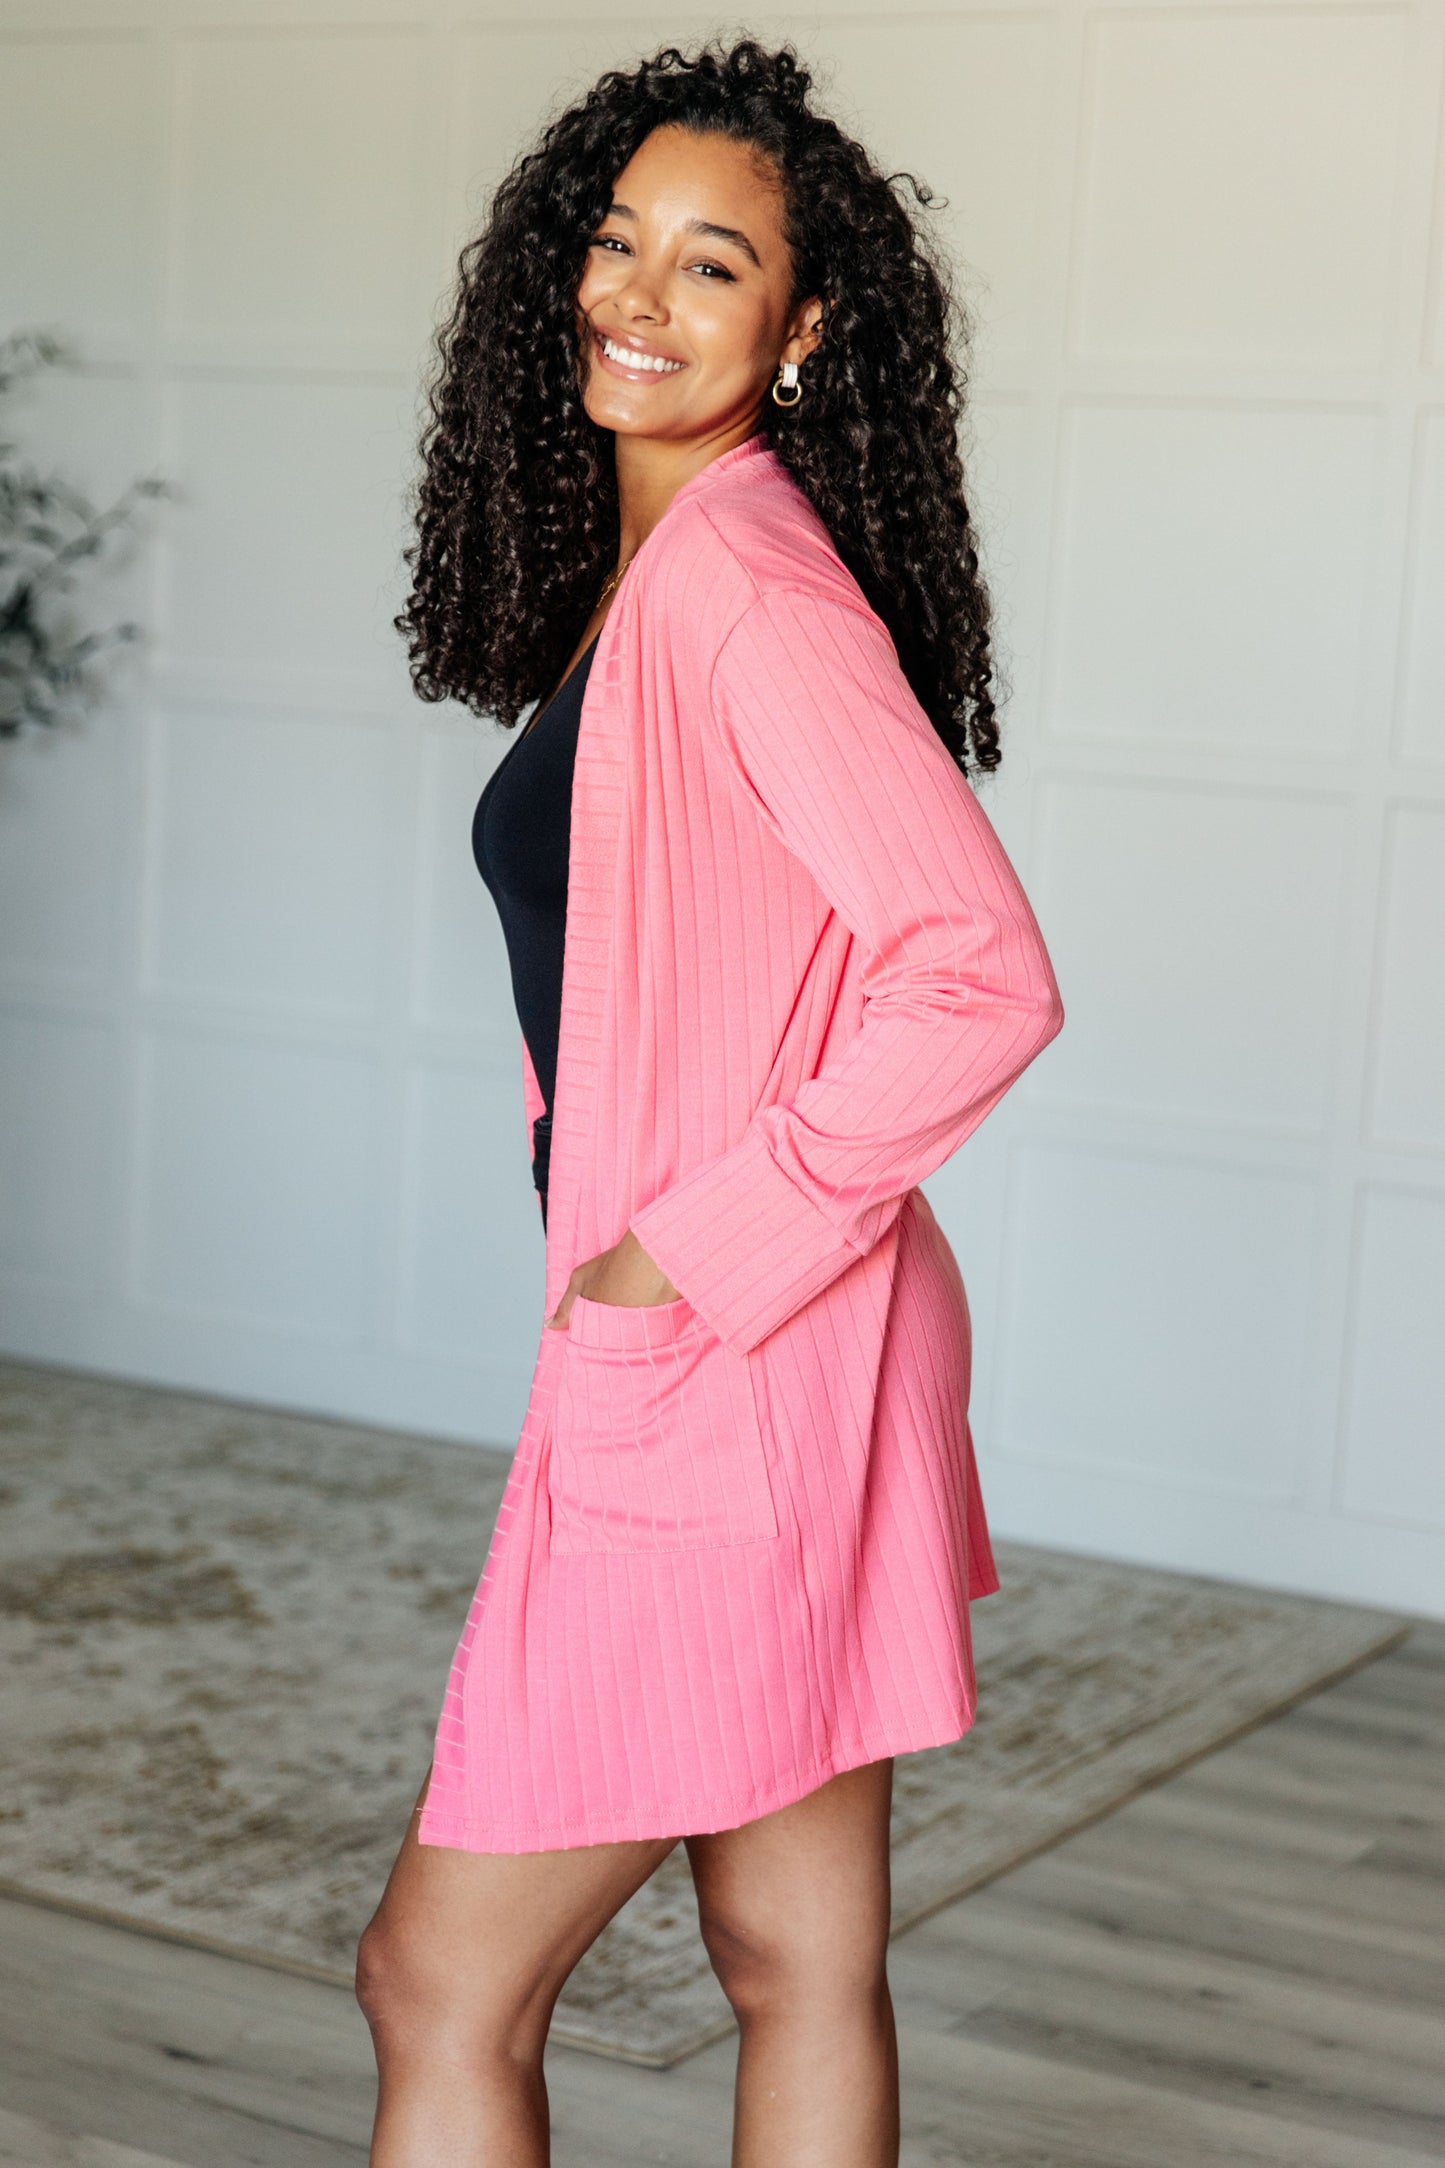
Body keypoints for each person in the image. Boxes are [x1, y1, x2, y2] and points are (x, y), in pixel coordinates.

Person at [357, 37, 1064, 2166]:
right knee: (795, 1954)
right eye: (614, 239)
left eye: (712, 264)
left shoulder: (748, 592)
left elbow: (980, 971)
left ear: (802, 327)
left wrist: (684, 1248)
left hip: (741, 1356)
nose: (635, 296)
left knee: (436, 1980)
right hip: (790, 1349)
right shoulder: (670, 570)